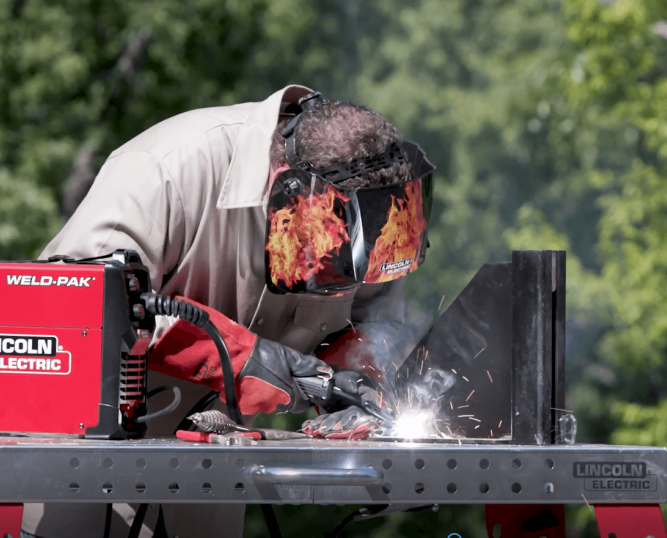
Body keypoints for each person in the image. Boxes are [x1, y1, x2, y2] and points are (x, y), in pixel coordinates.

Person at [22, 85, 435, 538]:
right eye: (334, 250)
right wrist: (240, 360)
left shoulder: (369, 208)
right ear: (285, 182)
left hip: (216, 477)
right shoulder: (166, 169)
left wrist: (357, 380)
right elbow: (76, 305)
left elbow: (376, 322)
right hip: (87, 457)